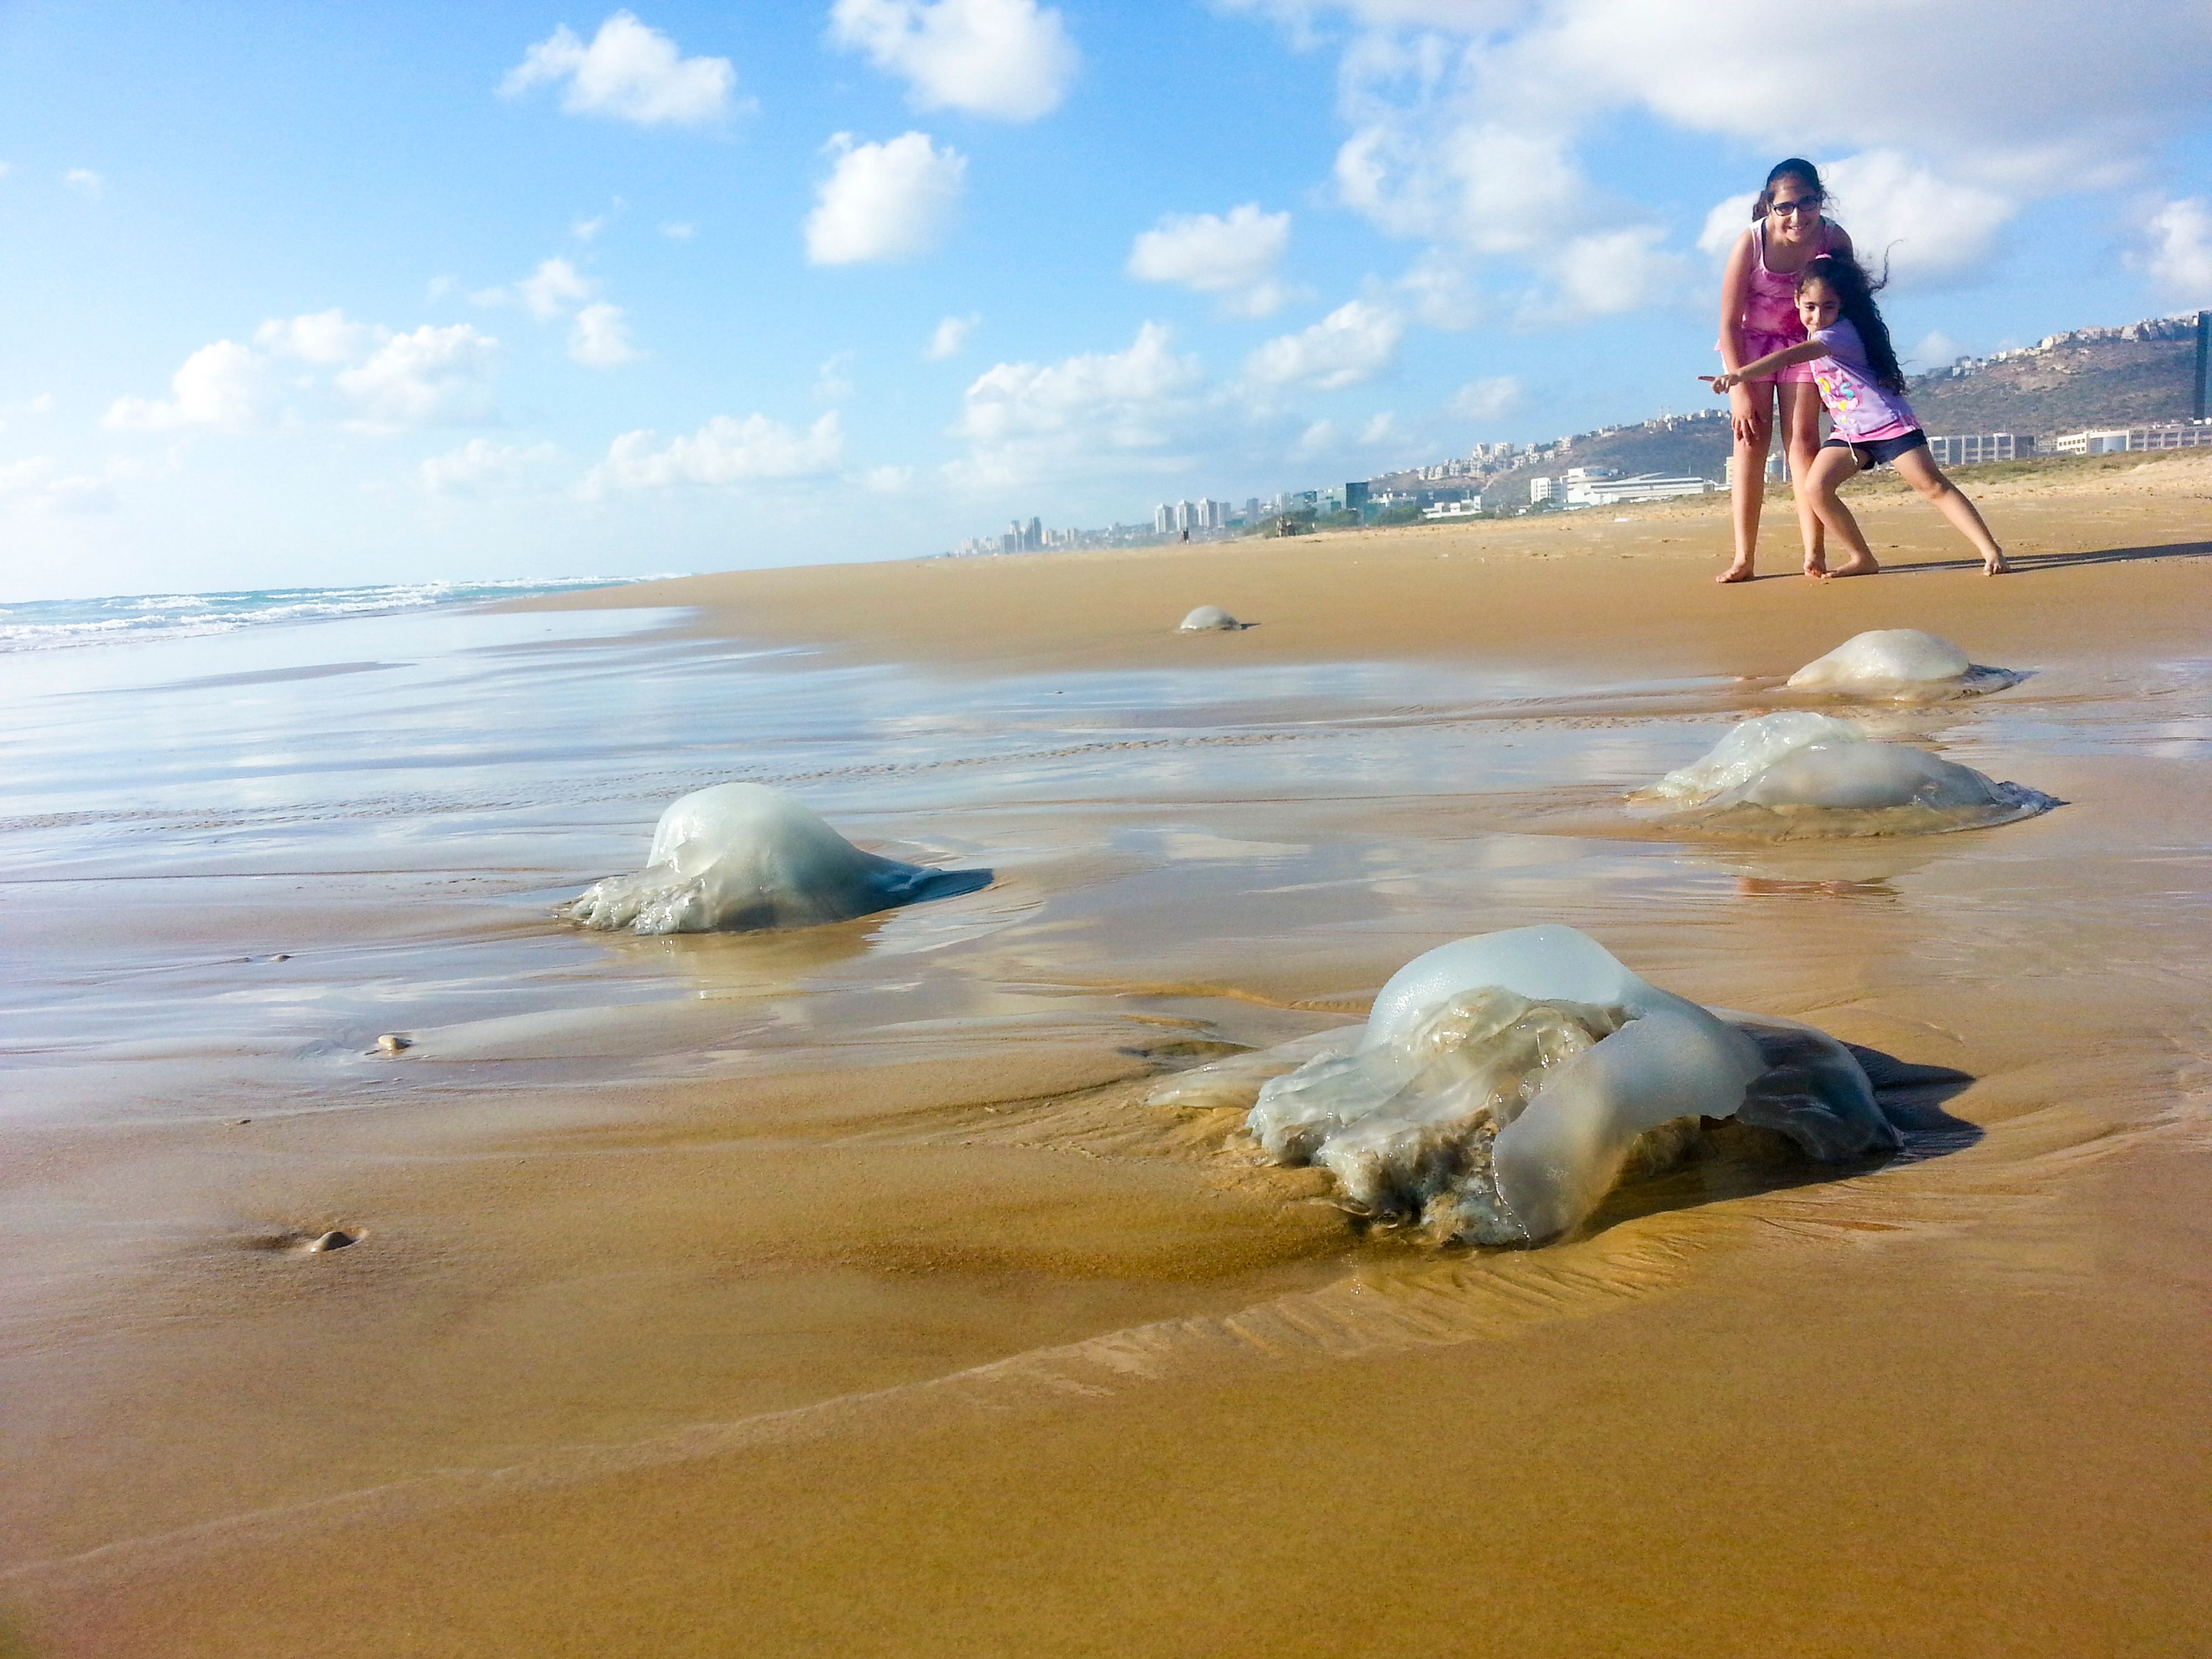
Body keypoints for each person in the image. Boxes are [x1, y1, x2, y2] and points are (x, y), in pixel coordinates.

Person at [1705, 253, 2008, 577]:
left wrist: (1739, 375)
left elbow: (1793, 356)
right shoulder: (1819, 331)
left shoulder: (1838, 333)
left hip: (1888, 424)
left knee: (1932, 486)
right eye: (1810, 307)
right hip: (1851, 434)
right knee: (1816, 488)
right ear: (1797, 300)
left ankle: (1991, 550)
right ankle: (1862, 558)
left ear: (1842, 306)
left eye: (1829, 307)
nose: (1818, 316)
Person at [1714, 159, 1854, 583]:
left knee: (1804, 443)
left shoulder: (1834, 240)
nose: (1798, 216)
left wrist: (1846, 377)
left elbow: (1853, 310)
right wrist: (1738, 387)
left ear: (1820, 199)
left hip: (1807, 346)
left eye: (1807, 203)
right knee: (1750, 443)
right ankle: (1744, 558)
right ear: (1769, 208)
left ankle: (1815, 553)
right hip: (1751, 347)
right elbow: (1728, 321)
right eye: (1786, 207)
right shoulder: (1751, 244)